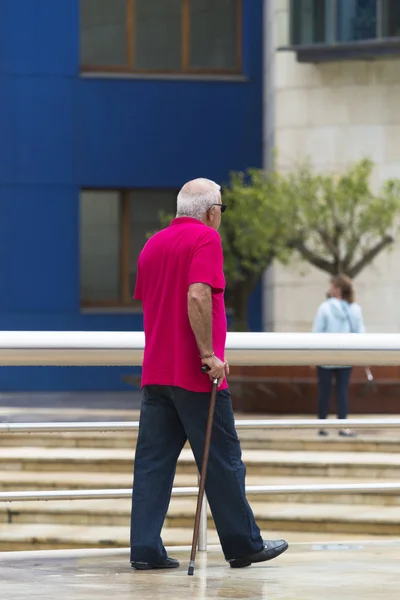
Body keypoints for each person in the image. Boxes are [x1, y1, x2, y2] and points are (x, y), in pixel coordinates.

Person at [130, 178, 288, 570]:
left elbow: (152, 301)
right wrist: (208, 355)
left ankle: (145, 549)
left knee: (153, 463)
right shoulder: (205, 240)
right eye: (222, 209)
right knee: (222, 460)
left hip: (156, 374)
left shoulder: (152, 245)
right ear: (212, 210)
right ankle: (243, 544)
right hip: (197, 376)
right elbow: (198, 294)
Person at [313, 275, 365, 438]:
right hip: (346, 356)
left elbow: (317, 332)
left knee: (324, 392)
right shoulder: (355, 309)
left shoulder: (324, 308)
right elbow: (361, 333)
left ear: (337, 289)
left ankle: (322, 426)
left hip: (325, 356)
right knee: (342, 392)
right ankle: (343, 426)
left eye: (331, 286)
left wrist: (312, 356)